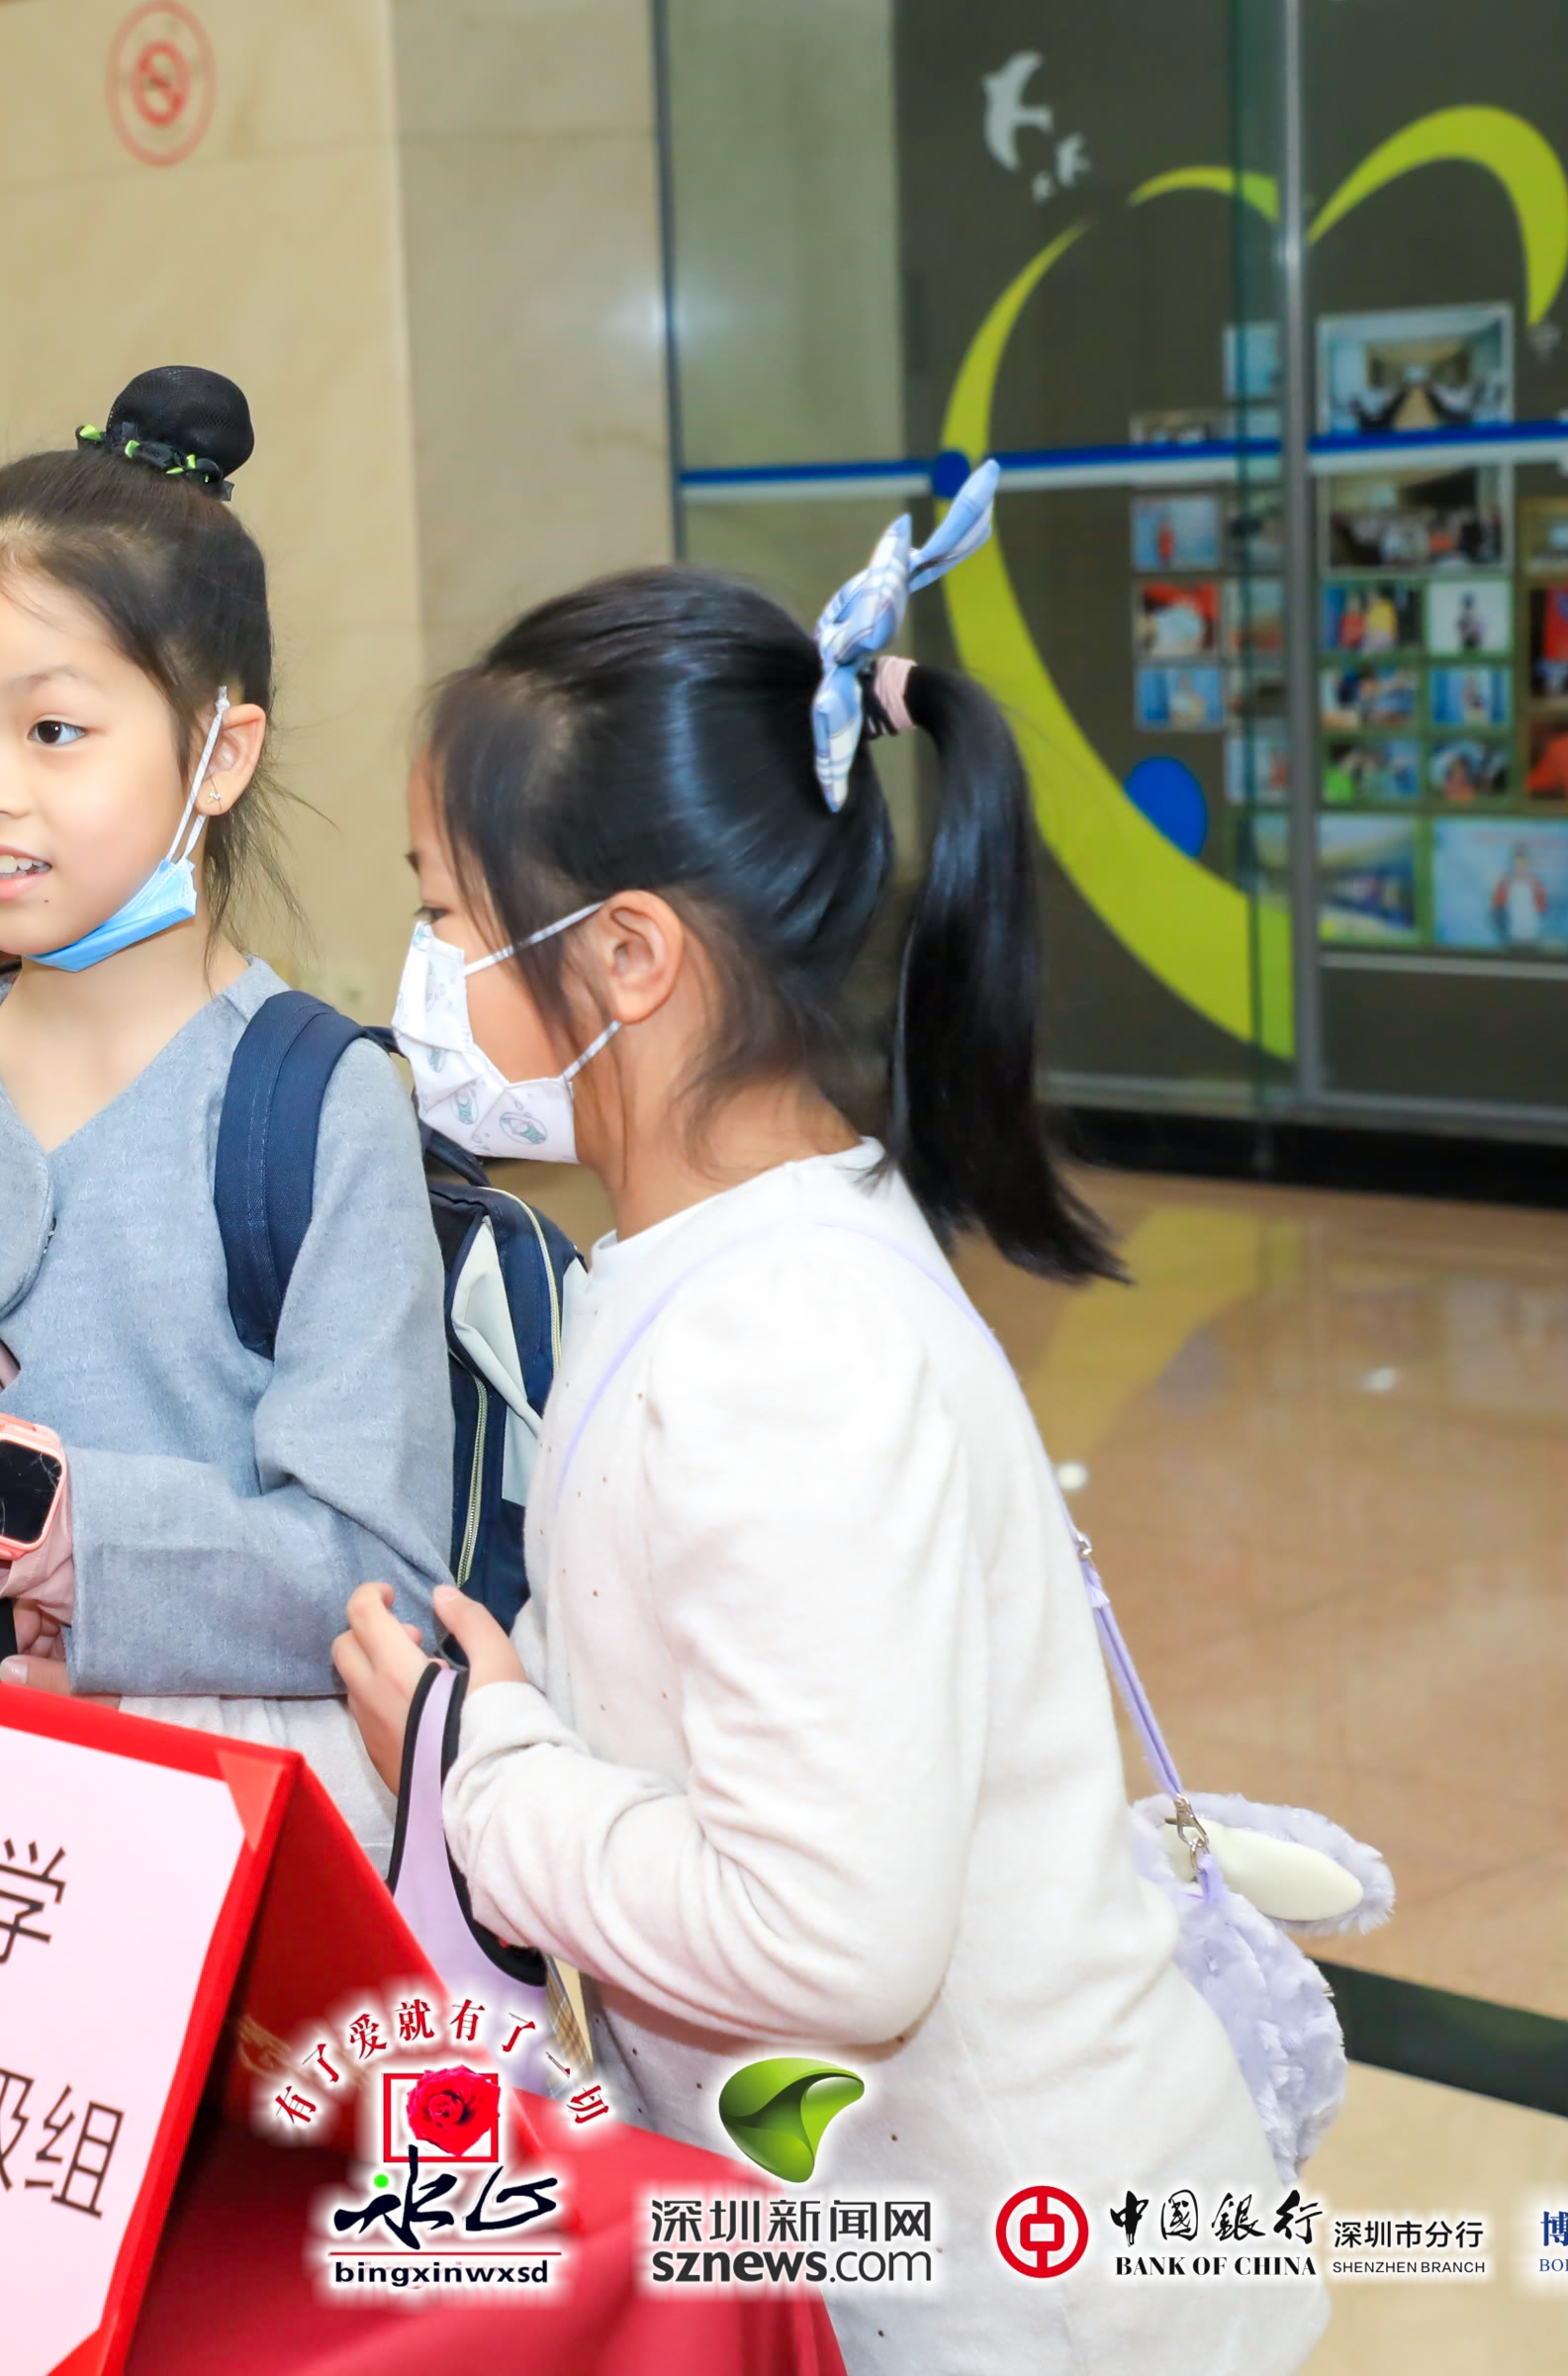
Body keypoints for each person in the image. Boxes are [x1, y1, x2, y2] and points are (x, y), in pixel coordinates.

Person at [332, 507, 1327, 2374]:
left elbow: (829, 1944)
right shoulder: (721, 1250)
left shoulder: (785, 1346)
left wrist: (478, 1779)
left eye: (449, 915)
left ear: (628, 954)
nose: (424, 971)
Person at [0, 369, 452, 1862]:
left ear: (219, 754)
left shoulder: (314, 1108)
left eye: (53, 731)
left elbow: (371, 1580)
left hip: (202, 1852)